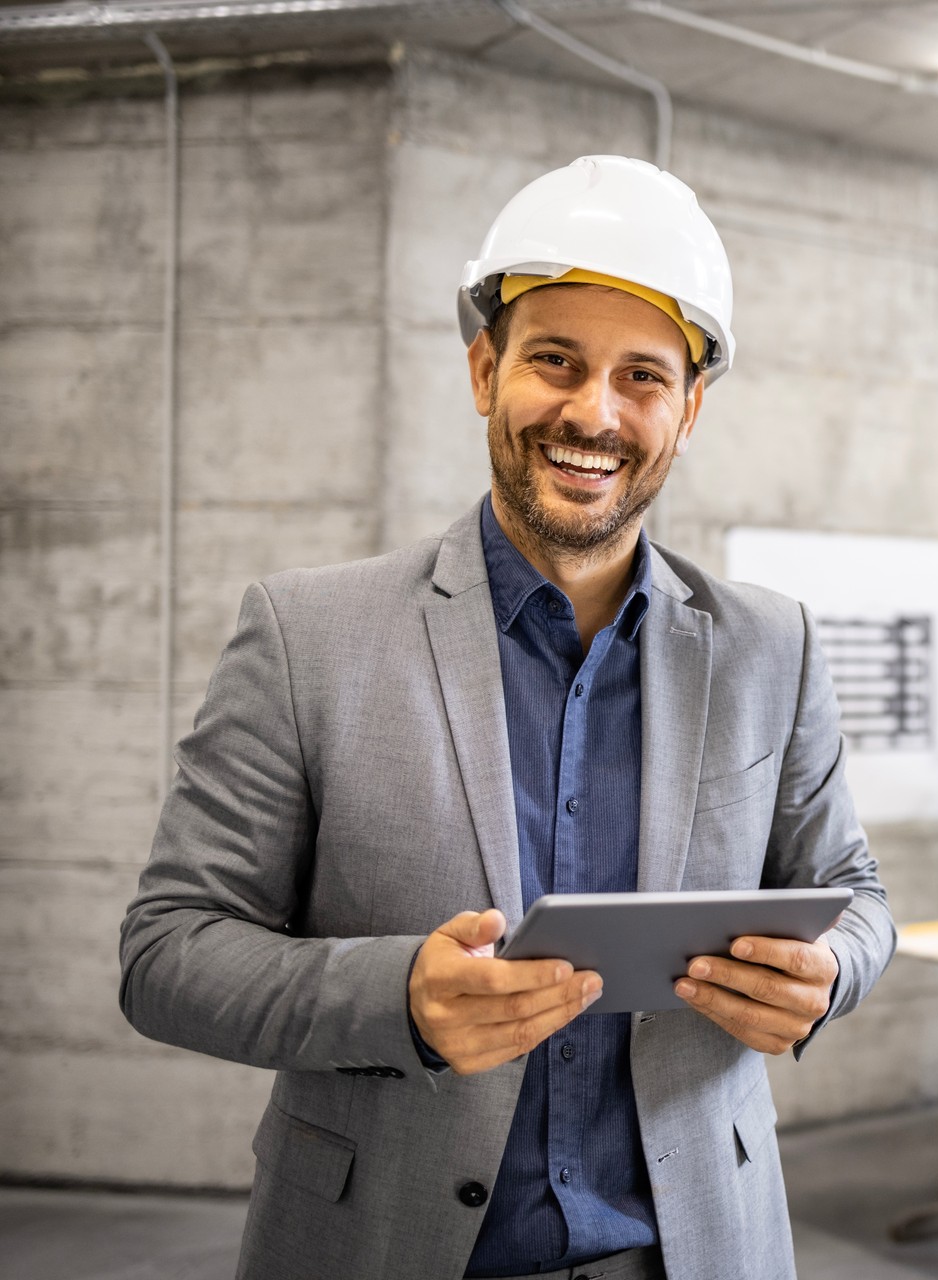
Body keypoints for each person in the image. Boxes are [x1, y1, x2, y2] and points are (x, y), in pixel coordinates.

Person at [119, 155, 896, 1280]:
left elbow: (859, 896)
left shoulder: (771, 646)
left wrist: (830, 978)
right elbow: (166, 952)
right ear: (485, 369)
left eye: (643, 376)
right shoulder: (306, 635)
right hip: (387, 1244)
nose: (595, 411)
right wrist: (399, 997)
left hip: (698, 1249)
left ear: (689, 410)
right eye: (555, 361)